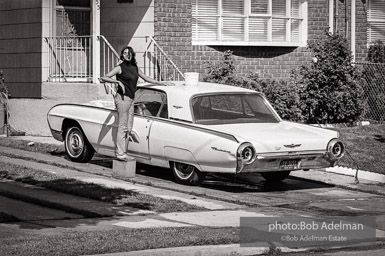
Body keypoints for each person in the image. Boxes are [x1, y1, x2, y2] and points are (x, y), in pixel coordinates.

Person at [100, 46, 172, 161]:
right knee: (123, 126)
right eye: (124, 53)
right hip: (122, 98)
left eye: (129, 53)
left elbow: (146, 78)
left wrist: (161, 83)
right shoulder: (120, 67)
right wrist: (118, 81)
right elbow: (103, 77)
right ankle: (120, 153)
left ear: (132, 55)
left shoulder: (135, 68)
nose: (127, 55)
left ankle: (124, 152)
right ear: (122, 55)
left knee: (129, 126)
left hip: (131, 99)